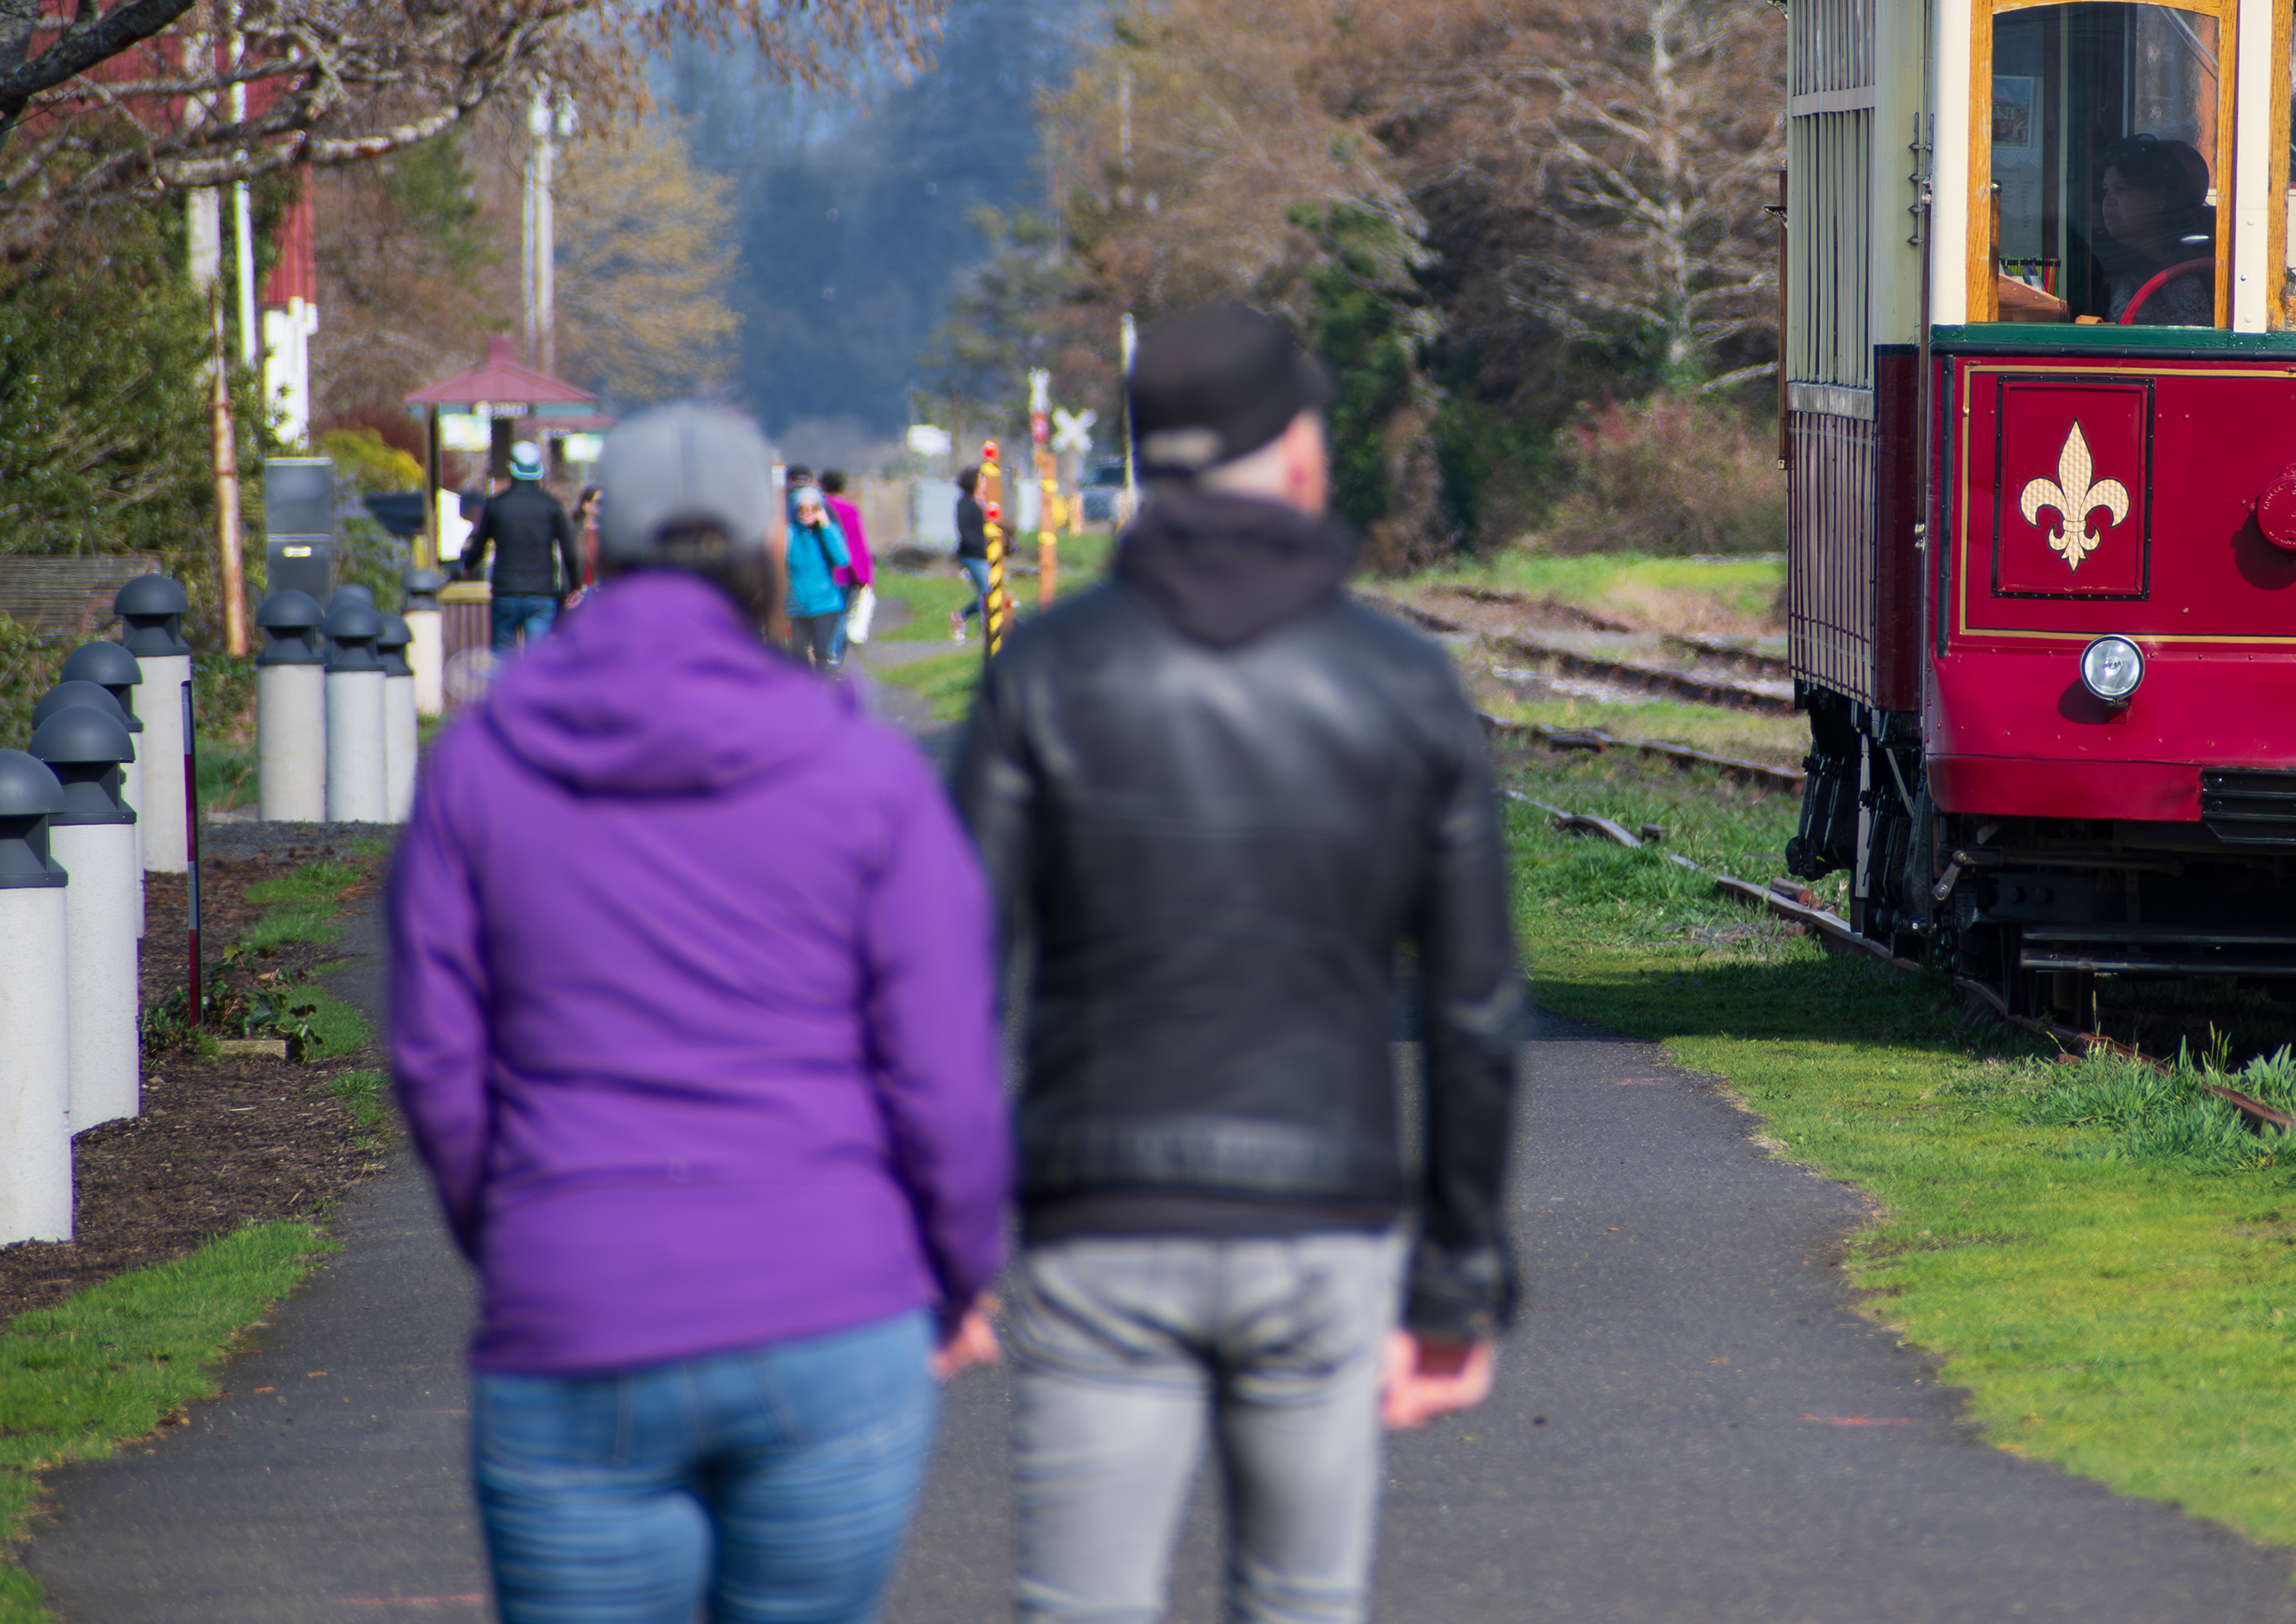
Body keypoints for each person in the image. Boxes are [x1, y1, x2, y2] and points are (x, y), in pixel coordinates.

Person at [388, 401, 1008, 1624]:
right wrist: (960, 1266)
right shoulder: (865, 769)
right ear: (771, 554)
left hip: (575, 1308)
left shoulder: (480, 765)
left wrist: (525, 1237)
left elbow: (438, 1066)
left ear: (598, 551)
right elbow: (944, 1063)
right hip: (831, 1307)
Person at [949, 304, 1521, 1624]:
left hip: (1095, 1225)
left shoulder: (1044, 672)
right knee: (1303, 1602)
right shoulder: (1401, 683)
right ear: (1303, 458)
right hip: (1323, 1232)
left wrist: (947, 1238)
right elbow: (1475, 1009)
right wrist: (1457, 1276)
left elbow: (955, 974)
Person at [460, 441, 582, 652]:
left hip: (506, 590)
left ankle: (504, 686)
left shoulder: (496, 505)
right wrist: (575, 586)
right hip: (542, 592)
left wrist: (467, 566)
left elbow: (479, 546)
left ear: (511, 466)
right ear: (538, 468)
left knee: (503, 658)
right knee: (538, 658)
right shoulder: (552, 506)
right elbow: (571, 551)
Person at [2089, 132, 2216, 323]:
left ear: (2161, 198)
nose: (2108, 202)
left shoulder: (2189, 273)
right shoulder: (2105, 263)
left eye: (2122, 189)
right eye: (2107, 190)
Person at [785, 483, 851, 670]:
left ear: (820, 509)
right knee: (796, 654)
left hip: (826, 604)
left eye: (812, 508)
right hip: (795, 606)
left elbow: (842, 559)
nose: (807, 513)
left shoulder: (827, 532)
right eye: (802, 508)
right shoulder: (789, 534)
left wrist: (826, 527)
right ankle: (803, 694)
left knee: (822, 652)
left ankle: (822, 691)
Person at [820, 469, 875, 664]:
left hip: (823, 571)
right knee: (841, 614)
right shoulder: (849, 510)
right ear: (842, 487)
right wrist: (865, 576)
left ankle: (824, 652)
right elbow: (858, 543)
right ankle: (834, 655)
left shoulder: (817, 510)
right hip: (846, 573)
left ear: (821, 486)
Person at [949, 465, 993, 642]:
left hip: (985, 555)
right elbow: (966, 531)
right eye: (981, 479)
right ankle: (987, 630)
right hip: (973, 555)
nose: (984, 483)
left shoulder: (980, 502)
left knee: (989, 593)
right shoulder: (964, 504)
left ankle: (960, 616)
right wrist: (982, 547)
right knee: (988, 592)